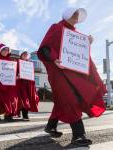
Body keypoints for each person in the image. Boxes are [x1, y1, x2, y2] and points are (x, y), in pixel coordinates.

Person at [37, 7, 106, 146]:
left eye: (77, 15)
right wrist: (53, 59)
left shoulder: (76, 35)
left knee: (65, 99)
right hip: (59, 72)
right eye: (74, 14)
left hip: (73, 74)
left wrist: (87, 43)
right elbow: (44, 48)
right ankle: (78, 135)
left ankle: (50, 126)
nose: (76, 16)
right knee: (70, 98)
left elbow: (81, 55)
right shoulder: (56, 28)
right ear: (67, 15)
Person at [17, 51, 39, 121]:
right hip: (20, 83)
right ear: (21, 55)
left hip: (28, 84)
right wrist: (17, 75)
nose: (25, 56)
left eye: (27, 55)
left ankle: (25, 114)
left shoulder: (29, 64)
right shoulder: (18, 62)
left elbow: (31, 74)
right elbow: (14, 71)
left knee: (27, 99)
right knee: (22, 99)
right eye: (24, 54)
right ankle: (24, 114)